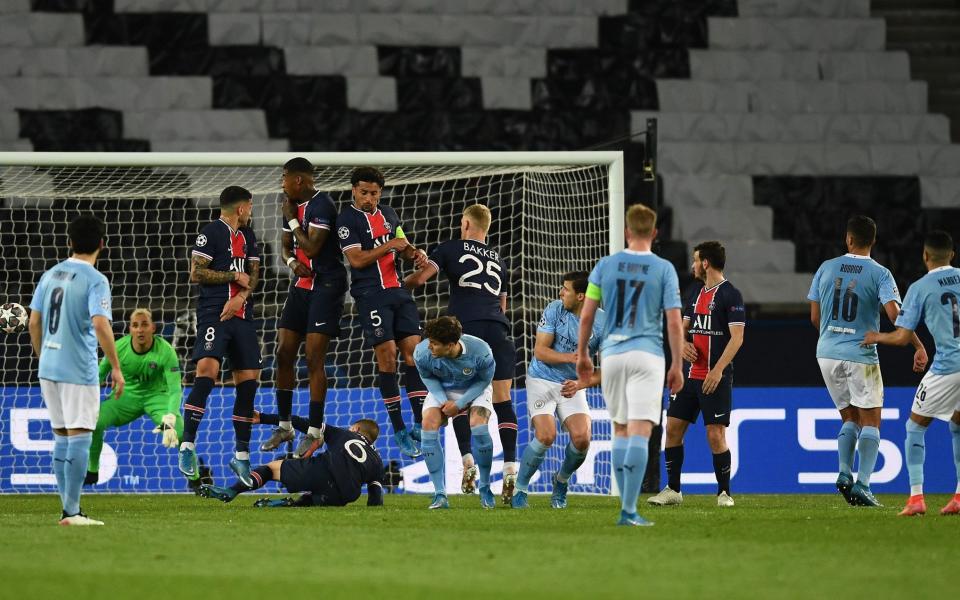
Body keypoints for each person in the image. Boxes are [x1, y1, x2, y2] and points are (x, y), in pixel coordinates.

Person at [576, 204, 684, 527]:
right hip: (647, 355)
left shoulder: (605, 266)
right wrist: (677, 363)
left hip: (612, 355)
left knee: (620, 429)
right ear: (654, 233)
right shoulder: (664, 269)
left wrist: (583, 353)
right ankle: (628, 511)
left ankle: (626, 509)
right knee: (640, 430)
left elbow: (587, 314)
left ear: (626, 232)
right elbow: (675, 322)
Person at [808, 215, 927, 507]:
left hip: (826, 353)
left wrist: (832, 336)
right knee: (872, 420)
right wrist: (918, 345)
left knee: (849, 418)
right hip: (860, 353)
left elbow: (814, 317)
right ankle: (862, 484)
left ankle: (843, 473)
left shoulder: (826, 268)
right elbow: (895, 315)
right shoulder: (881, 273)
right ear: (873, 241)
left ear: (848, 239)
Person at [404, 204, 519, 502]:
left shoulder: (450, 248)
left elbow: (420, 279)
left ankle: (467, 460)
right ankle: (509, 468)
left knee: (456, 392)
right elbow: (502, 305)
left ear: (465, 223)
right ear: (487, 227)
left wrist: (396, 289)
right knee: (503, 400)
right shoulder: (499, 261)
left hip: (464, 332)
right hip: (498, 330)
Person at [28, 214, 123, 525]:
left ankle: (67, 509)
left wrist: (44, 356)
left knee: (61, 437)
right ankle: (72, 512)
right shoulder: (96, 280)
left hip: (49, 367)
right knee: (80, 435)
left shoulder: (50, 274)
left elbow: (34, 321)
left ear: (69, 242)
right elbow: (100, 323)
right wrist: (116, 369)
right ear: (102, 244)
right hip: (77, 367)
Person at [863, 230, 960, 516]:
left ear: (925, 256)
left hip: (947, 368)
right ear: (951, 255)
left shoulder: (920, 287)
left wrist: (876, 337)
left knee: (915, 427)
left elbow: (903, 336)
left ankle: (916, 497)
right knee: (957, 425)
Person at [335, 166, 429, 457]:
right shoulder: (346, 220)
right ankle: (399, 428)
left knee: (415, 356)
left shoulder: (389, 214)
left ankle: (418, 422)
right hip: (371, 295)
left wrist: (415, 253)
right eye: (364, 192)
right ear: (354, 190)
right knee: (387, 358)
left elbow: (402, 245)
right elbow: (357, 259)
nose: (369, 198)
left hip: (398, 291)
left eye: (374, 193)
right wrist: (391, 244)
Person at [648, 241, 745, 508]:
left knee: (715, 435)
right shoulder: (697, 294)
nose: (692, 265)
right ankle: (673, 490)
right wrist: (684, 345)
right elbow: (682, 329)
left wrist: (717, 370)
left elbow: (737, 338)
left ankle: (724, 493)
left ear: (705, 263)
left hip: (716, 378)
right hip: (689, 377)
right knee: (673, 428)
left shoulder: (730, 295)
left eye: (695, 260)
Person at [262, 157, 347, 459]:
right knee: (283, 351)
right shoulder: (290, 205)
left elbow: (312, 247)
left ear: (299, 180)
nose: (282, 182)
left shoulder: (322, 205)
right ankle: (285, 425)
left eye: (284, 177)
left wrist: (293, 220)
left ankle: (314, 431)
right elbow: (288, 246)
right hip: (302, 286)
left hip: (327, 285)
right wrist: (290, 262)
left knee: (313, 357)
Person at [179, 185, 262, 488]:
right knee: (207, 372)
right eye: (249, 206)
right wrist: (231, 277)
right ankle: (187, 447)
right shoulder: (210, 232)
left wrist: (241, 297)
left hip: (242, 314)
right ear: (240, 208)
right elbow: (196, 273)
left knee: (249, 381)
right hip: (214, 312)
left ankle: (241, 455)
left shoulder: (249, 236)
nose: (251, 211)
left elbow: (253, 274)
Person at [512, 271, 604, 510]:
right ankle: (520, 489)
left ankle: (561, 481)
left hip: (572, 386)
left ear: (581, 296)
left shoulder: (603, 323)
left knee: (583, 439)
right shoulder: (555, 309)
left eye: (566, 289)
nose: (560, 292)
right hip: (542, 379)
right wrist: (570, 358)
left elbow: (612, 370)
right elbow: (540, 351)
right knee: (545, 435)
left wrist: (580, 384)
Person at [84, 308, 191, 488]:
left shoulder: (166, 351)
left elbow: (175, 388)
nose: (140, 330)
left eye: (144, 325)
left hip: (158, 397)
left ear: (153, 328)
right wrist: (86, 400)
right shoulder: (118, 347)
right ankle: (92, 471)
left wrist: (171, 415)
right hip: (126, 398)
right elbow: (99, 376)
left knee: (181, 433)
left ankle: (195, 478)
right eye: (135, 325)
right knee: (94, 422)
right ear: (130, 329)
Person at [198, 419, 384, 508]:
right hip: (345, 495)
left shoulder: (344, 433)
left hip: (322, 471)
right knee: (315, 500)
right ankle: (289, 505)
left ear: (356, 428)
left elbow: (305, 424)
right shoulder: (377, 460)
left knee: (271, 468)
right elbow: (375, 498)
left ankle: (232, 490)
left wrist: (263, 418)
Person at [414, 316, 497, 509]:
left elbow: (484, 381)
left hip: (474, 388)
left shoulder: (481, 351)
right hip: (442, 389)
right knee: (428, 424)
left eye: (434, 344)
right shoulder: (421, 353)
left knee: (479, 426)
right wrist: (445, 402)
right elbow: (427, 378)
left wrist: (460, 403)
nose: (429, 347)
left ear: (451, 345)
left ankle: (485, 487)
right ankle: (440, 494)